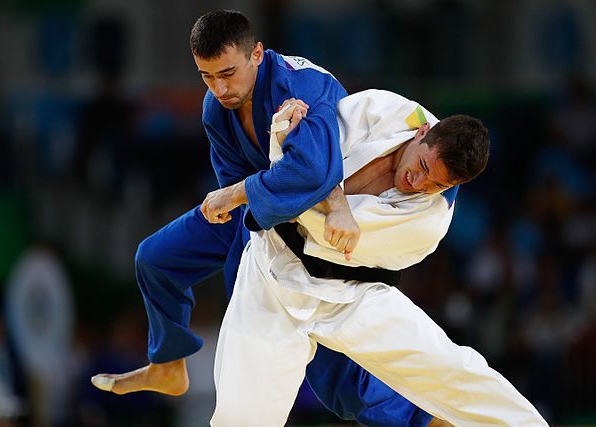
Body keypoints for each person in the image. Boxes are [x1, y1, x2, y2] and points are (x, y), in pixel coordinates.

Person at [91, 9, 437, 427]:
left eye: (227, 73)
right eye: (207, 76)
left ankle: (422, 420)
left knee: (333, 377)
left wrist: (243, 203)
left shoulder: (301, 86)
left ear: (256, 53)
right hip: (256, 212)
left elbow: (314, 173)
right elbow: (233, 187)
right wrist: (238, 204)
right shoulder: (216, 108)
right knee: (154, 258)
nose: (219, 88)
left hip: (313, 230)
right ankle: (168, 364)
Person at [209, 90, 548, 426]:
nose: (418, 182)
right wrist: (291, 143)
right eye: (423, 166)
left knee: (452, 370)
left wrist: (290, 156)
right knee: (240, 417)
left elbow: (313, 210)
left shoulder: (430, 221)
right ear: (422, 133)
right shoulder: (385, 109)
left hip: (351, 294)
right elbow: (311, 144)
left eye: (436, 184)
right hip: (272, 270)